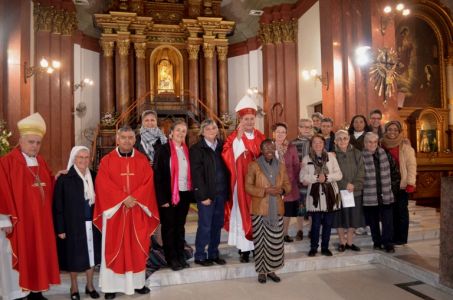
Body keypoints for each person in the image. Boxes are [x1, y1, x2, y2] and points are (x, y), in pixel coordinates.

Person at [94, 125, 160, 299]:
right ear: (117, 139)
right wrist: (124, 198)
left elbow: (148, 182)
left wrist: (134, 198)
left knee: (137, 247)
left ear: (134, 139)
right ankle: (110, 287)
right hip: (115, 212)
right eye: (123, 137)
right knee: (114, 248)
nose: (127, 141)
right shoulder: (107, 160)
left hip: (136, 210)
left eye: (130, 138)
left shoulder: (142, 160)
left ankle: (138, 283)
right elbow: (103, 184)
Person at [0, 113, 60, 300]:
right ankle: (15, 294)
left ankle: (36, 291)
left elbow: (47, 183)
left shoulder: (40, 161)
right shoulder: (7, 162)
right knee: (17, 255)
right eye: (31, 142)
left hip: (40, 222)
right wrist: (4, 219)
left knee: (38, 254)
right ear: (21, 140)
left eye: (38, 143)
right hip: (18, 222)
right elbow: (1, 191)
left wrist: (59, 178)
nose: (35, 146)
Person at [222, 95, 266, 263]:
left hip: (258, 184)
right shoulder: (234, 137)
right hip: (240, 183)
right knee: (242, 214)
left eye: (251, 119)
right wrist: (239, 140)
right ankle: (244, 249)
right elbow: (227, 155)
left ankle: (256, 248)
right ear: (240, 120)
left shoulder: (261, 136)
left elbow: (268, 156)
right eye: (246, 119)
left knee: (257, 214)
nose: (249, 122)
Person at [53, 146, 101, 300]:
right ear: (74, 159)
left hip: (92, 224)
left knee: (91, 257)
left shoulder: (94, 176)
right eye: (80, 157)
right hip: (72, 225)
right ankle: (73, 287)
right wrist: (60, 228)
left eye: (86, 158)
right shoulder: (64, 179)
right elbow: (58, 206)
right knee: (73, 257)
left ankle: (90, 285)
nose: (83, 160)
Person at [245, 139, 291, 284]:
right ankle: (262, 272)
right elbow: (248, 187)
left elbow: (287, 184)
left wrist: (282, 190)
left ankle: (272, 270)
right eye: (266, 148)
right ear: (261, 149)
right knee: (261, 242)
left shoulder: (281, 166)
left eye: (271, 147)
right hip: (259, 210)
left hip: (276, 209)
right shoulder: (254, 165)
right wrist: (265, 191)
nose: (269, 150)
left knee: (275, 242)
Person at [154, 120, 193, 271]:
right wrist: (162, 199)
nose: (181, 133)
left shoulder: (186, 150)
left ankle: (180, 255)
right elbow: (157, 176)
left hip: (183, 194)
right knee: (169, 228)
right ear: (170, 133)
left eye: (184, 131)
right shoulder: (163, 150)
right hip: (168, 195)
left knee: (180, 227)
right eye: (178, 130)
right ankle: (171, 258)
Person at [190, 119, 229, 266]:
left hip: (221, 193)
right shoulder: (197, 149)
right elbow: (196, 175)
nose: (212, 131)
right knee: (205, 226)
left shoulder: (222, 146)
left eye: (214, 128)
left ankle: (213, 253)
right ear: (202, 132)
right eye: (208, 129)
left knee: (217, 225)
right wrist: (202, 195)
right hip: (207, 195)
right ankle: (200, 255)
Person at [300, 135, 342, 257]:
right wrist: (317, 178)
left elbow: (339, 175)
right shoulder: (306, 158)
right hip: (315, 196)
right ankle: (313, 247)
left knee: (328, 224)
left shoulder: (331, 157)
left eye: (320, 142)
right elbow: (302, 178)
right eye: (315, 142)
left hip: (330, 194)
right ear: (311, 145)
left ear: (324, 144)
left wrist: (327, 177)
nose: (317, 145)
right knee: (316, 224)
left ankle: (325, 247)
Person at [362, 132, 400, 253]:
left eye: (374, 142)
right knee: (373, 221)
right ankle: (377, 242)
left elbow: (394, 171)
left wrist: (392, 188)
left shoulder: (385, 154)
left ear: (378, 143)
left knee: (388, 220)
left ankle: (388, 243)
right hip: (370, 193)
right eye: (369, 142)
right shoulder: (360, 156)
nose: (372, 144)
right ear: (365, 143)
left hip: (386, 192)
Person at [380, 121, 417, 246]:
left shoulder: (406, 147)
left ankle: (401, 238)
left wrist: (411, 183)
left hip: (401, 184)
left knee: (401, 211)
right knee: (389, 212)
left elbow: (411, 166)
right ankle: (390, 236)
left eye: (395, 130)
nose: (392, 132)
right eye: (390, 129)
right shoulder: (381, 144)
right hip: (386, 185)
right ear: (386, 131)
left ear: (399, 131)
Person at [331, 130, 365, 252]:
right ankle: (342, 242)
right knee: (340, 218)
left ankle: (350, 242)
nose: (342, 141)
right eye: (339, 139)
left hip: (354, 191)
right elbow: (331, 173)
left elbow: (362, 170)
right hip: (339, 192)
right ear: (335, 141)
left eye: (345, 138)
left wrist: (355, 185)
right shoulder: (332, 155)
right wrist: (345, 184)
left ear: (349, 139)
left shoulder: (357, 153)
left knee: (354, 218)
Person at [272, 123, 300, 243]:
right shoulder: (268, 146)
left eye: (283, 132)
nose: (280, 134)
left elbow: (296, 165)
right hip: (272, 185)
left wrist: (292, 181)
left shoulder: (291, 147)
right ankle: (274, 235)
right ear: (273, 133)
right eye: (278, 132)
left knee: (286, 211)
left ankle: (284, 234)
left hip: (289, 184)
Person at [291, 118, 313, 240]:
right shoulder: (292, 143)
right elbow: (290, 160)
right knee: (300, 206)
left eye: (309, 127)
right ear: (299, 128)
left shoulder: (316, 142)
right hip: (298, 179)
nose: (306, 129)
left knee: (311, 205)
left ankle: (311, 229)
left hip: (311, 178)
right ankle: (299, 230)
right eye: (304, 127)